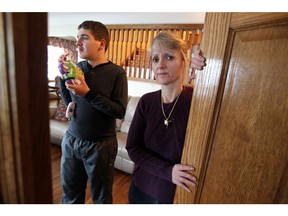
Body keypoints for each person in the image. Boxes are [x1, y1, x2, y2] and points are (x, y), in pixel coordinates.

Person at [126, 31, 206, 204]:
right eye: (155, 59)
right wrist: (167, 171)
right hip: (140, 189)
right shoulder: (146, 102)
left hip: (176, 195)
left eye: (169, 57)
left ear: (184, 62)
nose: (160, 65)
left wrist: (208, 65)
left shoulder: (197, 100)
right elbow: (133, 148)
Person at [58, 21, 128, 204]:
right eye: (77, 37)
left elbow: (119, 111)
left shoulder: (117, 73)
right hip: (72, 140)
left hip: (101, 146)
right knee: (69, 196)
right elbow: (70, 103)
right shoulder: (78, 67)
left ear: (101, 43)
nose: (78, 42)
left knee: (101, 199)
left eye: (84, 37)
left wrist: (88, 93)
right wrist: (62, 76)